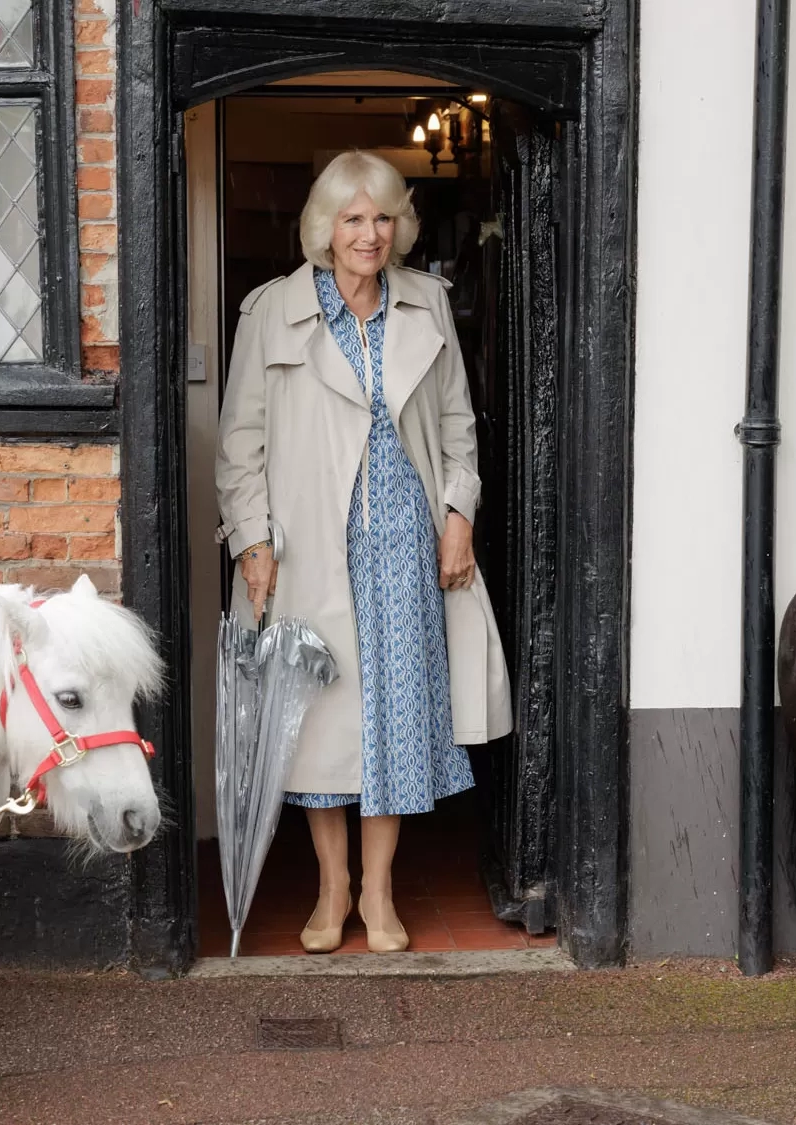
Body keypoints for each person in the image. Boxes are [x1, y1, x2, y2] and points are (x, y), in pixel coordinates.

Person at [216, 150, 512, 954]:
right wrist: (250, 543)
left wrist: (459, 517)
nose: (370, 234)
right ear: (324, 227)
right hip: (308, 542)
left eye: (382, 217)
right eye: (352, 218)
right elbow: (238, 442)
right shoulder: (273, 312)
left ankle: (379, 891)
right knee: (319, 721)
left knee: (396, 719)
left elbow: (458, 426)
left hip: (405, 545)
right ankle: (331, 886)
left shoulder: (427, 307)